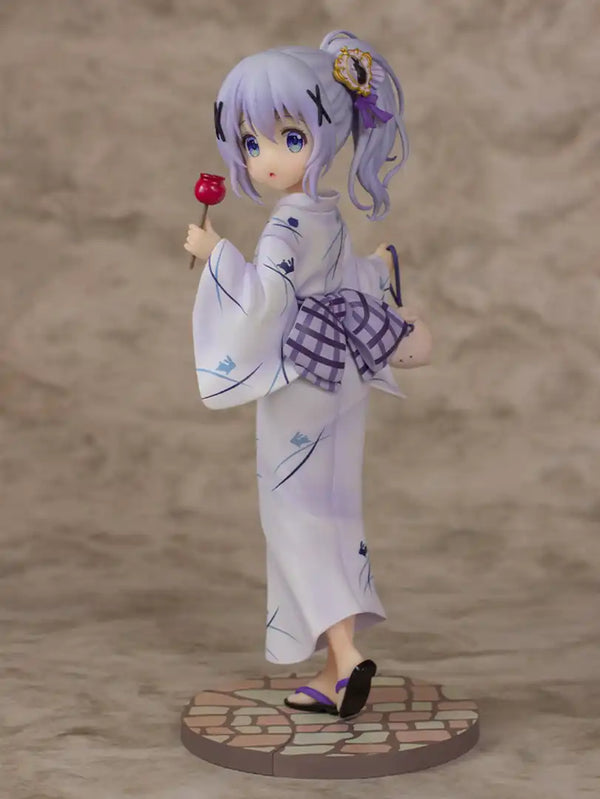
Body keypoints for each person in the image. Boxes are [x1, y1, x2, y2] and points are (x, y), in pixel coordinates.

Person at [184, 29, 433, 720]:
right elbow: (341, 278)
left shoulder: (284, 229)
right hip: (342, 371)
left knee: (292, 516)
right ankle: (333, 669)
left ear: (325, 138)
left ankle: (347, 657)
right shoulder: (325, 213)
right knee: (333, 510)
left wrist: (216, 252)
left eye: (290, 138)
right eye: (251, 141)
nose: (266, 159)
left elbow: (266, 302)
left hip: (302, 376)